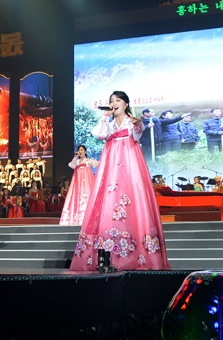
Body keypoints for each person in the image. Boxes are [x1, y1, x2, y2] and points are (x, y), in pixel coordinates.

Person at [70, 91, 170, 271]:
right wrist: (105, 115)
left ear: (126, 104)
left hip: (130, 166)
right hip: (110, 169)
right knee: (108, 202)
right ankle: (106, 255)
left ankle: (141, 256)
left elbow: (137, 135)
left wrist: (138, 124)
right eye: (111, 101)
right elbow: (98, 134)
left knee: (135, 201)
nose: (114, 103)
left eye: (118, 100)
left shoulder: (131, 122)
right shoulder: (108, 124)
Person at [60, 145, 99, 225]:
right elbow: (71, 165)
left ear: (85, 151)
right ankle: (75, 219)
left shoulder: (88, 161)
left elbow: (96, 164)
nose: (80, 151)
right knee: (76, 197)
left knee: (87, 196)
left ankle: (88, 218)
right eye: (79, 150)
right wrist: (75, 157)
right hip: (77, 183)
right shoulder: (77, 162)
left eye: (82, 150)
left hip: (86, 183)